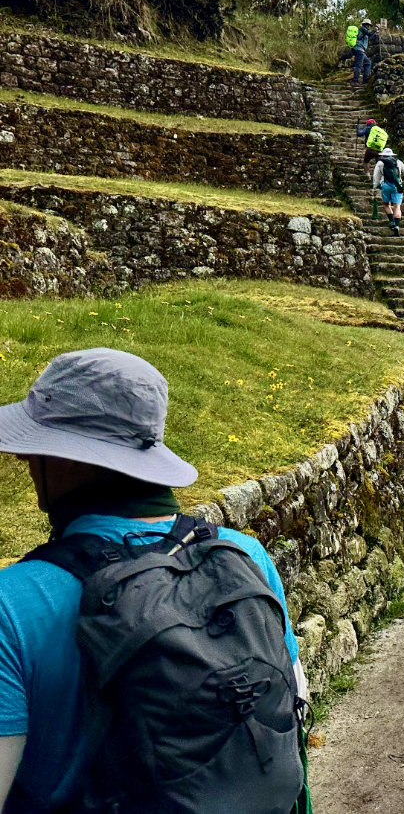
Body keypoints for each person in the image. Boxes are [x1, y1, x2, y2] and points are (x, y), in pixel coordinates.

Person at [0, 348, 307, 812]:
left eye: (36, 447)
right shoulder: (245, 556)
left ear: (64, 458)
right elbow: (290, 706)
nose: (25, 459)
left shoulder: (12, 605)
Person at [372, 147, 404, 235]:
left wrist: (375, 188)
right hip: (397, 186)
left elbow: (376, 176)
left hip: (385, 185)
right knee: (397, 206)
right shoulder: (398, 162)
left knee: (386, 204)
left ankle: (391, 220)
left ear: (383, 155)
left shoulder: (380, 163)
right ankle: (397, 226)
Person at [349, 17, 373, 85]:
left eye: (369, 26)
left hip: (360, 50)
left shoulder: (363, 30)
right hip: (359, 49)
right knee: (358, 65)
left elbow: (369, 35)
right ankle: (355, 81)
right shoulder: (363, 29)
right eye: (368, 25)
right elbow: (370, 34)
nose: (369, 27)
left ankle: (365, 80)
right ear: (365, 25)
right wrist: (375, 30)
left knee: (367, 62)